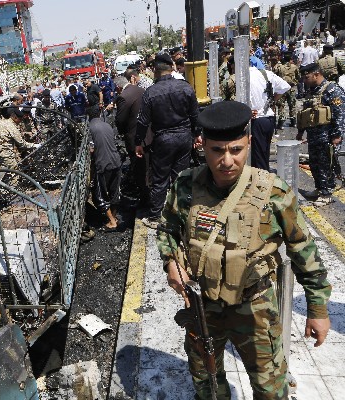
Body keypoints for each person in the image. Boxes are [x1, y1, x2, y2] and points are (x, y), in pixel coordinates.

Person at [157, 100, 332, 400]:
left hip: (255, 308)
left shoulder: (272, 191)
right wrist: (171, 262)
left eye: (236, 150)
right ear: (202, 145)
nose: (227, 161)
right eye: (217, 151)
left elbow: (303, 249)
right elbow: (167, 230)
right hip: (205, 307)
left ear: (249, 143)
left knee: (270, 388)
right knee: (207, 382)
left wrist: (317, 309)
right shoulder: (186, 186)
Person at [135, 53, 200, 228]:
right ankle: (183, 213)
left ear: (155, 70)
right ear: (171, 68)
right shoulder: (185, 87)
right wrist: (197, 134)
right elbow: (195, 114)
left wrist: (138, 142)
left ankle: (156, 217)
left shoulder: (151, 93)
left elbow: (142, 122)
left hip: (163, 139)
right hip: (184, 137)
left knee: (160, 178)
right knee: (182, 177)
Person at [297, 62, 345, 206]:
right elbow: (306, 114)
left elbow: (340, 114)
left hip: (328, 135)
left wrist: (337, 135)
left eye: (307, 77)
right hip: (314, 135)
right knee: (314, 163)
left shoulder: (332, 90)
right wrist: (301, 132)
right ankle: (319, 188)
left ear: (317, 74)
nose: (304, 81)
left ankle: (326, 193)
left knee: (326, 165)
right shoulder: (312, 91)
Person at [249, 65, 290, 171]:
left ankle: (261, 183)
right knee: (264, 153)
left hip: (256, 119)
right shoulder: (266, 74)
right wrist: (272, 101)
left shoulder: (244, 77)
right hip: (269, 118)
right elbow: (284, 87)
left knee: (257, 156)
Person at [88, 106, 122, 231]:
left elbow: (91, 149)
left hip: (103, 164)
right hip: (116, 161)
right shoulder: (107, 125)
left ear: (89, 116)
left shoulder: (90, 127)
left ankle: (112, 221)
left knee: (99, 195)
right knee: (115, 191)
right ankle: (114, 216)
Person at [115, 73, 146, 203]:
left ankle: (144, 196)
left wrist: (121, 132)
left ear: (118, 87)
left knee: (138, 167)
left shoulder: (123, 97)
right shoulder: (141, 90)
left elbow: (120, 121)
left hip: (133, 138)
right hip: (148, 134)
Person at [273, 52, 300, 129]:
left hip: (282, 89)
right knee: (292, 105)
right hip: (291, 88)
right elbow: (298, 76)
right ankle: (293, 122)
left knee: (281, 106)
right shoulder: (294, 67)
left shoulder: (279, 67)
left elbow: (275, 77)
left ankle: (281, 123)